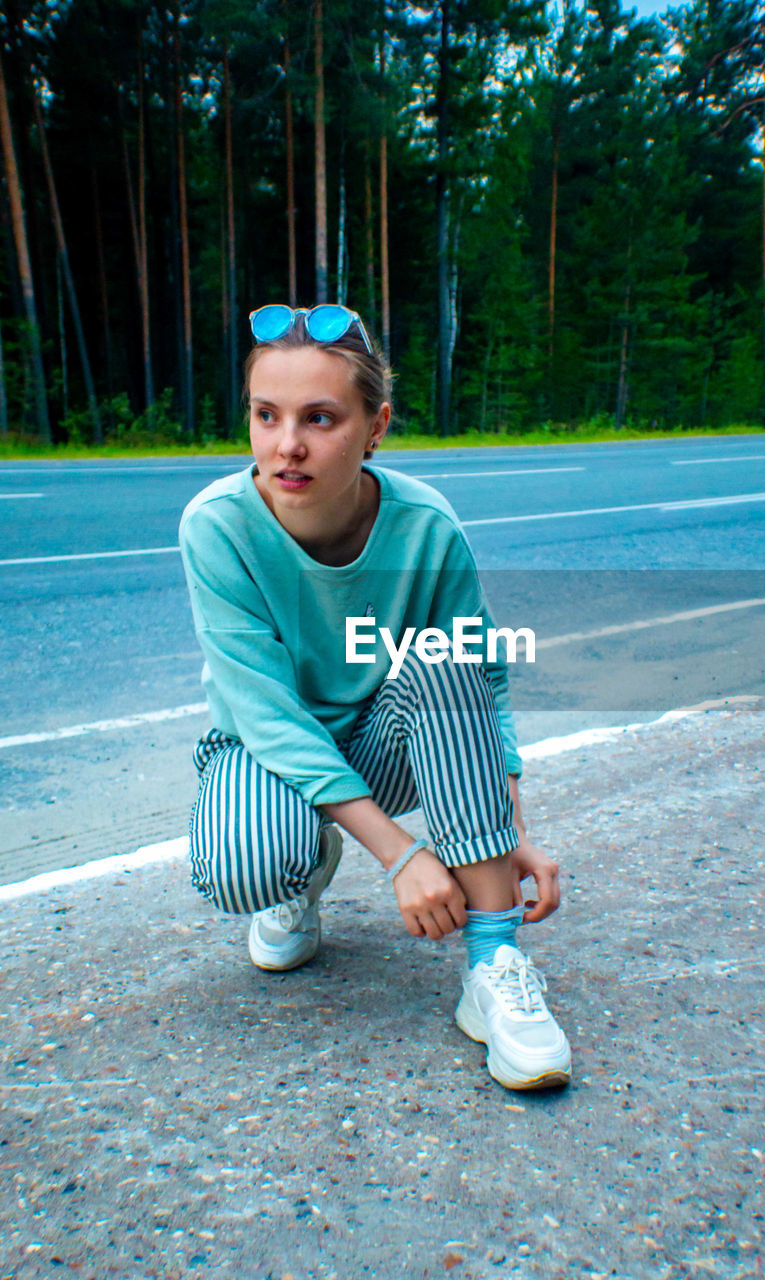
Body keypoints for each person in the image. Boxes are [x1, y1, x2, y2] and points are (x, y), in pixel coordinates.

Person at [178, 303, 572, 1091]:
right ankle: (301, 873)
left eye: (319, 418)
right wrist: (403, 857)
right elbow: (265, 715)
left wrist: (508, 824)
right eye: (266, 415)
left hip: (383, 740)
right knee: (245, 864)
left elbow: (480, 678)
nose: (286, 445)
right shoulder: (216, 527)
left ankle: (494, 967)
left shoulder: (424, 527)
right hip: (266, 750)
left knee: (442, 661)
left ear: (375, 425)